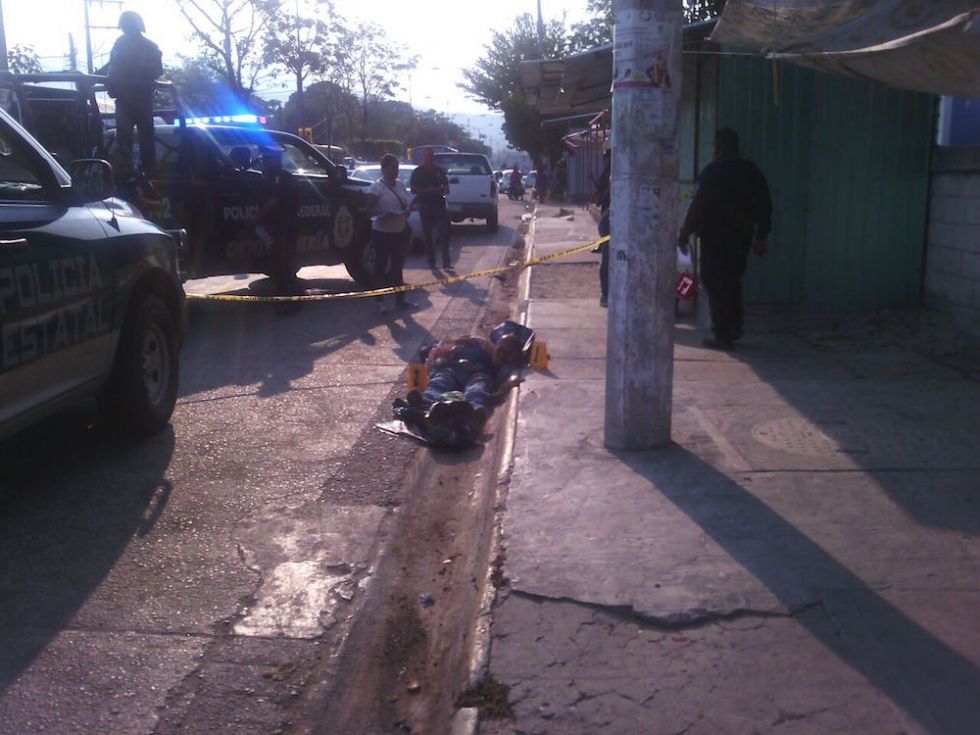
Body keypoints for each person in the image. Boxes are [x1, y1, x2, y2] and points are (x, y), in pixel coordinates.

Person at [678, 128, 772, 350]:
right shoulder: (752, 172)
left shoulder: (711, 173)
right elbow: (765, 207)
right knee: (733, 282)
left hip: (714, 239)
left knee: (715, 284)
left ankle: (723, 334)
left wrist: (685, 233)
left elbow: (698, 207)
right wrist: (761, 236)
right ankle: (734, 327)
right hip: (741, 239)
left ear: (718, 147)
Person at [397, 332, 525, 448]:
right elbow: (447, 347)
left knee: (478, 390)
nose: (500, 354)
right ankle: (425, 405)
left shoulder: (498, 368)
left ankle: (474, 414)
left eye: (506, 353)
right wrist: (448, 350)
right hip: (451, 367)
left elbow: (497, 387)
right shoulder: (482, 347)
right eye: (499, 350)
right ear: (496, 346)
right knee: (440, 382)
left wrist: (507, 384)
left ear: (513, 357)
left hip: (478, 374)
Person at [104, 11, 163, 176]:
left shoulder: (148, 47)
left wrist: (135, 71)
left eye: (127, 27)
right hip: (127, 99)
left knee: (143, 139)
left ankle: (145, 173)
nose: (125, 30)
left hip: (138, 99)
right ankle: (127, 173)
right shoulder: (121, 44)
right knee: (126, 140)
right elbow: (112, 66)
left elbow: (157, 70)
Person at [366, 153, 413, 313]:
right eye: (393, 168)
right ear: (384, 169)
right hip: (382, 232)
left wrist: (407, 211)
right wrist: (383, 214)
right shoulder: (376, 187)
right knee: (380, 266)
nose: (396, 171)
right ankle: (379, 301)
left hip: (399, 230)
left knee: (397, 266)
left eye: (397, 168)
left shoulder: (400, 185)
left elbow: (405, 204)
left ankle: (400, 299)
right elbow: (369, 210)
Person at [254, 145, 302, 297]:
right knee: (281, 263)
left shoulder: (280, 178)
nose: (264, 163)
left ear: (274, 160)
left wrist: (257, 217)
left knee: (282, 264)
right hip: (281, 226)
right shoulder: (278, 177)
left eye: (266, 159)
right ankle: (287, 295)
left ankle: (288, 298)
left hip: (283, 226)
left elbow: (274, 201)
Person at [409, 147, 451, 269]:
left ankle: (446, 262)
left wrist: (441, 189)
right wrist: (426, 190)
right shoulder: (418, 171)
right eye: (426, 155)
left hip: (439, 205)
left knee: (444, 234)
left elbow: (446, 187)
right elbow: (413, 189)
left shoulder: (439, 171)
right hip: (424, 206)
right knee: (428, 235)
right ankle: (431, 261)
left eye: (431, 156)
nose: (429, 158)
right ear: (423, 157)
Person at [594, 148, 612, 307]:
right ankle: (606, 294)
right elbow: (599, 199)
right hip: (609, 220)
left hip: (618, 220)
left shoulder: (616, 176)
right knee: (607, 258)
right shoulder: (606, 176)